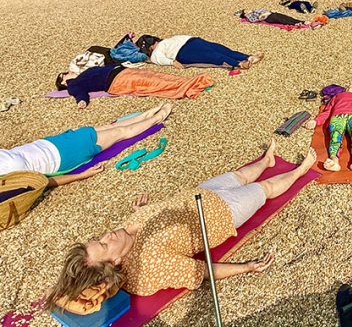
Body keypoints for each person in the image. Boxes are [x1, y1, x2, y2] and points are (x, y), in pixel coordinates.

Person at [45, 143, 317, 306]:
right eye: (105, 244)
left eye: (100, 237)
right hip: (221, 215)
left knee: (238, 176)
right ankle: (300, 171)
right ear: (114, 261)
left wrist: (142, 209)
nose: (108, 234)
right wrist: (246, 267)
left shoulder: (124, 233)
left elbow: (146, 220)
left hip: (197, 195)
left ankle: (267, 160)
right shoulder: (149, 265)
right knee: (265, 188)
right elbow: (203, 271)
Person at [0, 104, 171, 187]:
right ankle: (157, 118)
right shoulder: (5, 184)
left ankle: (147, 115)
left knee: (110, 127)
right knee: (120, 134)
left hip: (47, 143)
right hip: (62, 157)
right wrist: (81, 175)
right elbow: (43, 183)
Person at [55, 65, 213, 108]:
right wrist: (81, 101)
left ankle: (189, 81)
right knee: (154, 83)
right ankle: (190, 86)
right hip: (117, 81)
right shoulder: (72, 83)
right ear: (63, 81)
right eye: (65, 73)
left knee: (157, 76)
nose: (69, 72)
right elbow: (78, 92)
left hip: (123, 72)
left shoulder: (83, 73)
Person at [137, 34, 263, 70]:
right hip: (183, 50)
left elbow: (157, 59)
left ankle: (249, 57)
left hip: (191, 42)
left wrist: (171, 62)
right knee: (214, 55)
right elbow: (158, 59)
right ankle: (239, 63)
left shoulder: (163, 43)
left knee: (219, 49)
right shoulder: (156, 52)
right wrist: (172, 62)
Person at [238, 8, 325, 27]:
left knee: (287, 17)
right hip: (267, 18)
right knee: (283, 20)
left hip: (271, 14)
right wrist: (261, 16)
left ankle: (303, 21)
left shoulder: (254, 10)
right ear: (244, 14)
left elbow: (265, 9)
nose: (248, 10)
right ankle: (303, 23)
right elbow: (254, 20)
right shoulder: (249, 16)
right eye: (245, 11)